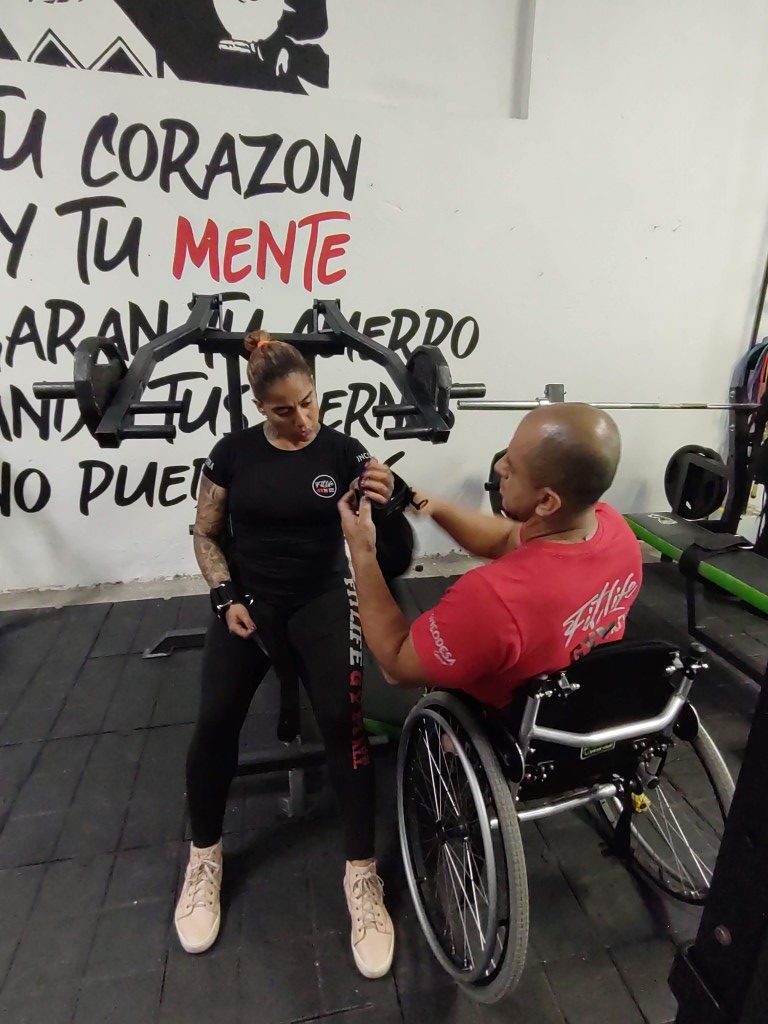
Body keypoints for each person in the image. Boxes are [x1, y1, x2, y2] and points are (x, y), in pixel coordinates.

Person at [174, 330, 397, 979]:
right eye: (282, 410)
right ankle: (204, 858)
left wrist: (386, 491)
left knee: (342, 724)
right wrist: (224, 596)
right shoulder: (231, 455)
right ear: (258, 406)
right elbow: (207, 533)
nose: (301, 420)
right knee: (215, 720)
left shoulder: (343, 449)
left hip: (323, 600)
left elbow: (383, 516)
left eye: (308, 403)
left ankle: (362, 878)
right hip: (252, 605)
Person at [338, 403, 643, 706]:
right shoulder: (614, 529)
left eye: (513, 467)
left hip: (503, 720)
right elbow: (507, 539)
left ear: (547, 502)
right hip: (577, 701)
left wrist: (362, 551)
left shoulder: (493, 598)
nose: (500, 468)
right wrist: (432, 505)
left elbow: (396, 664)